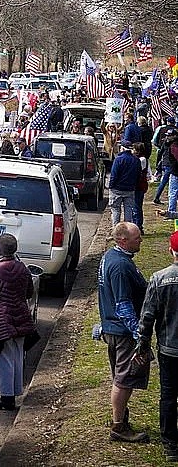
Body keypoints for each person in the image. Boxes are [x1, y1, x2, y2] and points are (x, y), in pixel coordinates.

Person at [97, 222, 150, 443]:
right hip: (122, 331)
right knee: (124, 379)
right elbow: (123, 304)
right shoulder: (120, 266)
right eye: (137, 238)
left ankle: (120, 417)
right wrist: (139, 335)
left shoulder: (112, 257)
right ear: (122, 240)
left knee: (121, 376)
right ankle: (118, 425)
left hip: (112, 328)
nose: (141, 241)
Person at [0, 233, 36, 411]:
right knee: (17, 356)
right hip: (21, 317)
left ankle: (6, 398)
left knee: (3, 359)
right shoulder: (23, 268)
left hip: (1, 320)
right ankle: (14, 392)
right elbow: (29, 293)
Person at [135, 230, 178, 461]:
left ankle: (171, 444)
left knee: (169, 394)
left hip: (169, 349)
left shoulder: (160, 278)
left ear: (171, 251)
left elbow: (148, 316)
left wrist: (142, 344)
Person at [109, 142, 140, 225]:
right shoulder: (136, 160)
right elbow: (138, 175)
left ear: (122, 148)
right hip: (130, 189)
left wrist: (111, 186)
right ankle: (127, 231)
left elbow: (114, 175)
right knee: (128, 210)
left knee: (115, 210)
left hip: (117, 189)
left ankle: (116, 230)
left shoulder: (118, 159)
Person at [154, 129, 177, 205]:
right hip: (168, 164)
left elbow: (160, 152)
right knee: (165, 182)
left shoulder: (173, 143)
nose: (167, 137)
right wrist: (158, 164)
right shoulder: (167, 143)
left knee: (166, 182)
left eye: (169, 135)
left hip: (169, 164)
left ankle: (157, 197)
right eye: (167, 135)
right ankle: (157, 197)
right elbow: (160, 152)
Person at [133, 142, 149, 233]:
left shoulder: (142, 160)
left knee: (137, 206)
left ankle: (138, 226)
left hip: (139, 186)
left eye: (134, 149)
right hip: (138, 186)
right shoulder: (139, 159)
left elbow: (139, 172)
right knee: (135, 206)